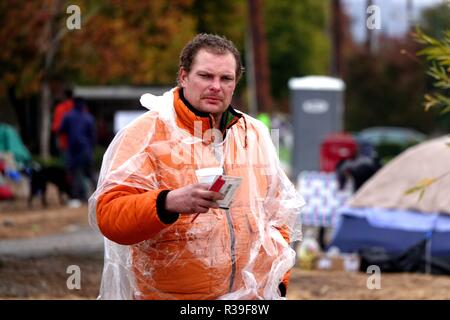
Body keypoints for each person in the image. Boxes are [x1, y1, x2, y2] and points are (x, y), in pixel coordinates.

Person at [89, 34, 304, 300]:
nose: (216, 86)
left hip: (249, 298)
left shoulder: (254, 135)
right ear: (183, 76)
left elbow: (278, 215)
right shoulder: (146, 134)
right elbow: (110, 216)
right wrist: (167, 202)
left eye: (226, 79)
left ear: (235, 83)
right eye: (205, 76)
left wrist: (277, 283)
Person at [60, 98, 96, 202]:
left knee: (76, 174)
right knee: (90, 173)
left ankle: (80, 196)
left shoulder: (68, 116)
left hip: (73, 151)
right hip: (87, 150)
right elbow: (93, 136)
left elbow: (61, 130)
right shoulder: (89, 118)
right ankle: (100, 193)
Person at [52, 88, 74, 159]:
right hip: (78, 144)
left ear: (64, 96)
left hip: (63, 142)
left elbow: (56, 127)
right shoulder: (79, 108)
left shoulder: (60, 108)